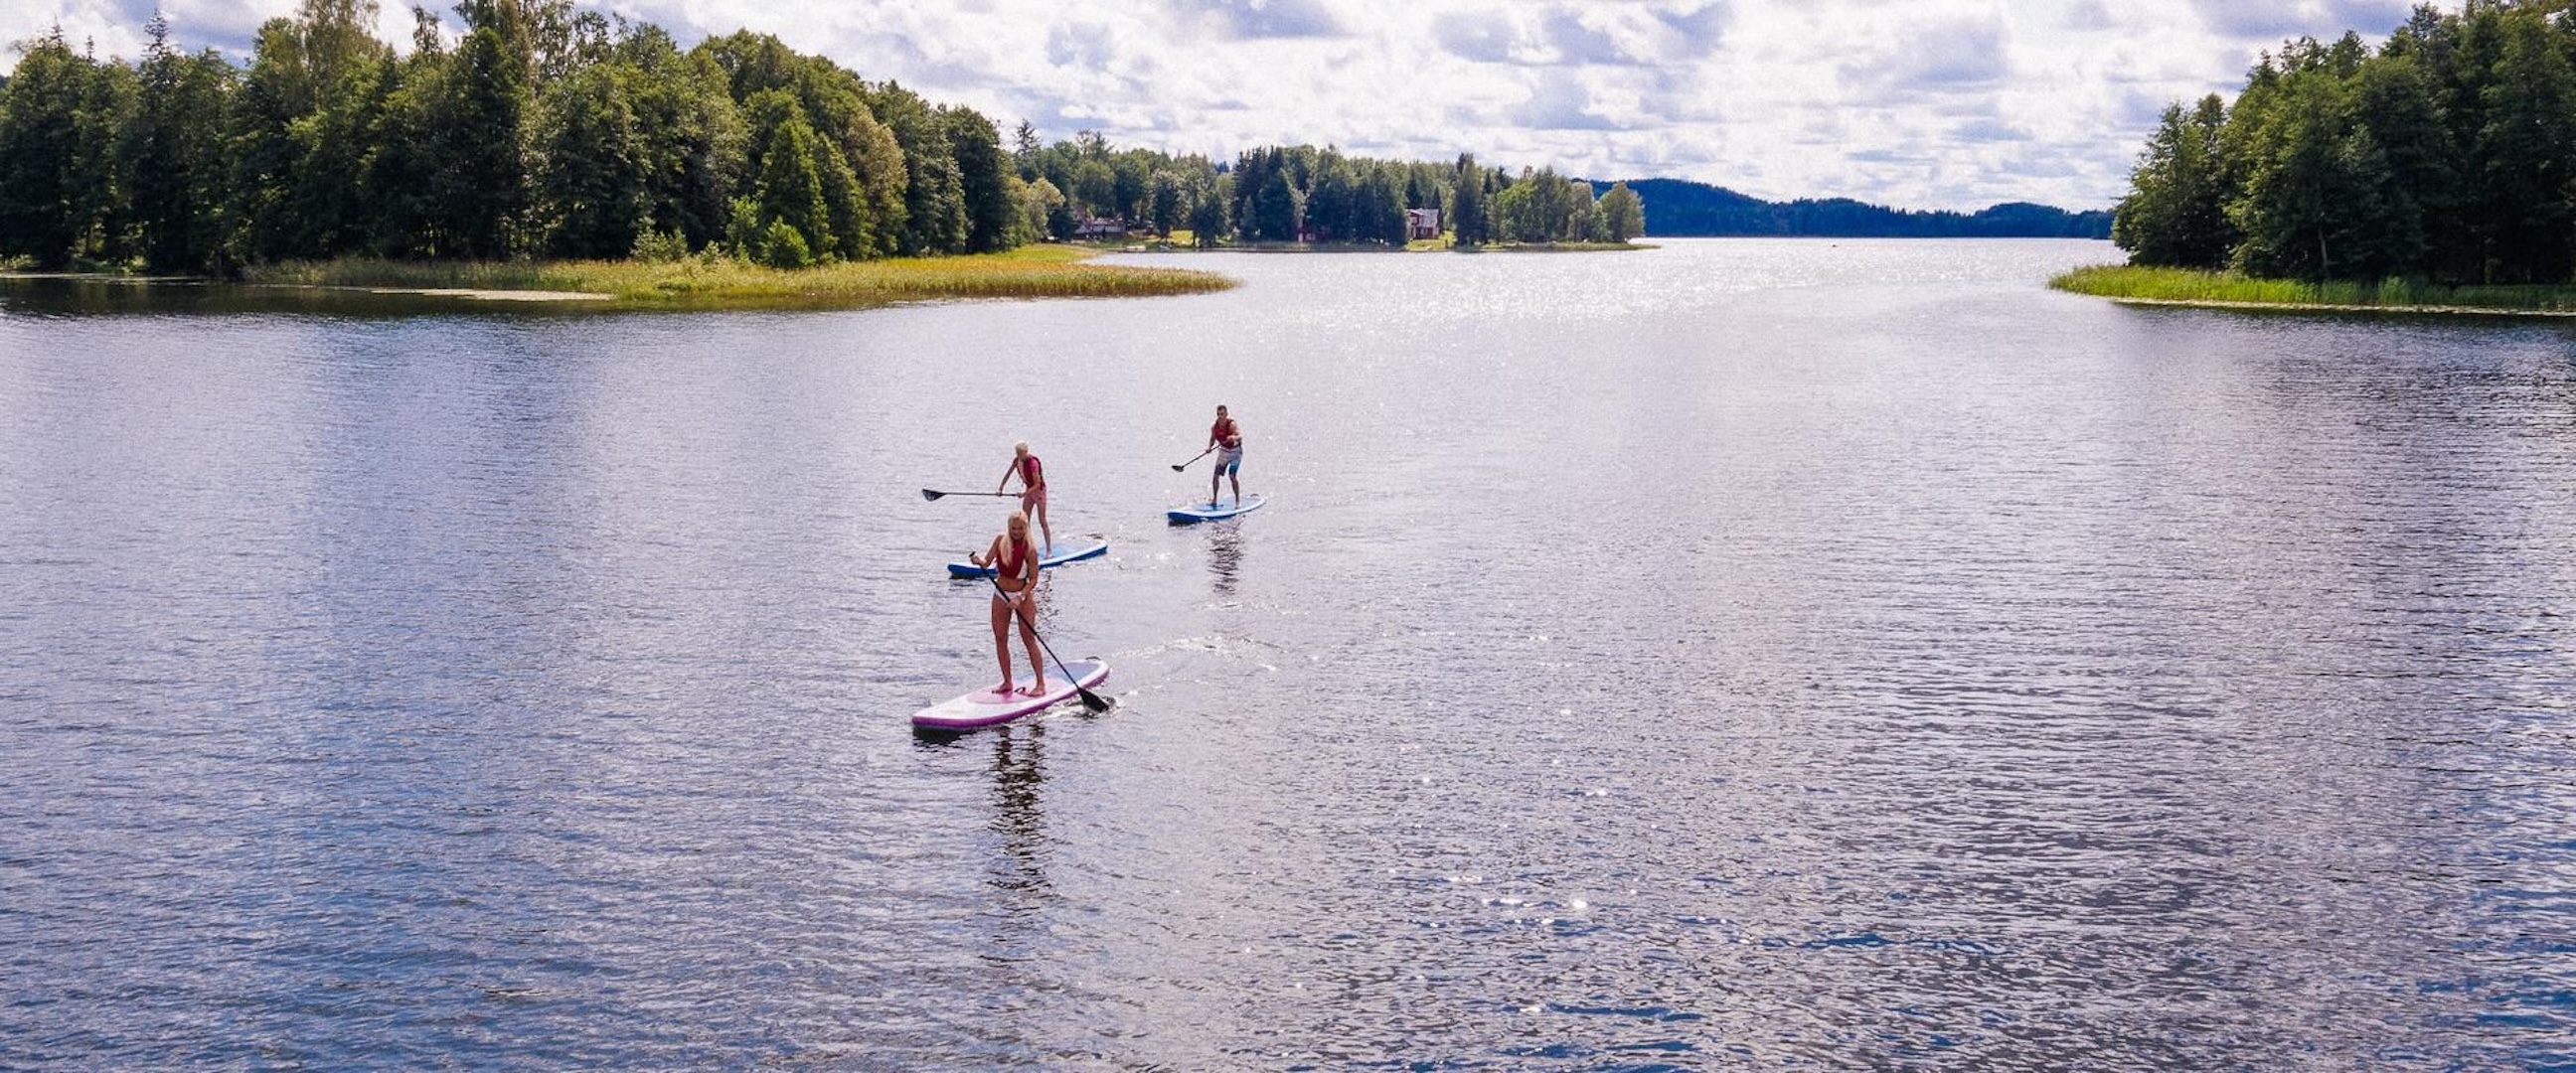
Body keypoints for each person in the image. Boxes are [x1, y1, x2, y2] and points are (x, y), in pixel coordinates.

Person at [967, 510, 1046, 696]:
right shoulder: (1000, 540)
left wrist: (1020, 598)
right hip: (1000, 594)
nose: (1017, 532)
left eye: (1020, 529)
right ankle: (1007, 682)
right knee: (1000, 638)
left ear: (1026, 528)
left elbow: (1033, 579)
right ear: (1008, 527)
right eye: (1013, 528)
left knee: (1028, 639)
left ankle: (1040, 684)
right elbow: (987, 562)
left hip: (1022, 595)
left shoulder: (1030, 549)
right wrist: (978, 561)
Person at [997, 440, 1051, 551]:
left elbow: (1037, 484)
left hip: (1039, 491)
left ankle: (1048, 549)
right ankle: (1029, 547)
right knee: (1024, 520)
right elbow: (1008, 473)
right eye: (1017, 453)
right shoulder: (1017, 461)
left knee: (1042, 520)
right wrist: (1001, 488)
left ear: (1026, 451)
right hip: (1029, 491)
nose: (1019, 455)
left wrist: (1023, 494)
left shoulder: (1033, 464)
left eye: (1021, 453)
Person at [1207, 404, 1244, 506]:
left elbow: (1240, 436)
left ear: (1226, 414)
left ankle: (1237, 501)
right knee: (1215, 476)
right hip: (1223, 452)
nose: (1220, 416)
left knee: (1232, 476)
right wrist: (1209, 447)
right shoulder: (1214, 427)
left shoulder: (1231, 424)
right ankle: (1214, 500)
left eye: (1222, 414)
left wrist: (1233, 437)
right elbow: (1212, 439)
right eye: (1218, 414)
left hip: (1235, 452)